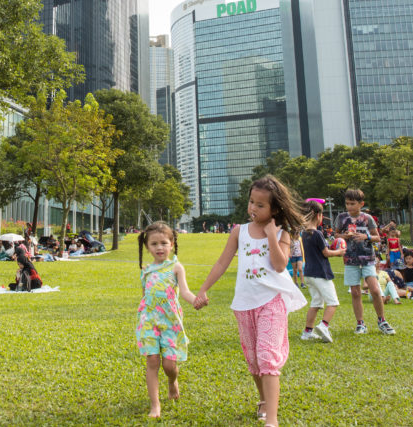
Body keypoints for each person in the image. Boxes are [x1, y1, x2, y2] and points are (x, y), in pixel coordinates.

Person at [195, 175, 307, 425]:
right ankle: (265, 401)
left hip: (271, 301)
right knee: (255, 361)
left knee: (267, 357)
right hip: (244, 303)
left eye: (260, 205)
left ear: (275, 208)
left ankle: (272, 420)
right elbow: (222, 262)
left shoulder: (282, 233)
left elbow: (280, 266)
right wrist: (202, 289)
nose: (253, 208)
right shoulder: (239, 231)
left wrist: (271, 235)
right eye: (251, 202)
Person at [135, 222, 196, 418]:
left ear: (172, 243)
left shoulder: (176, 267)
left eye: (163, 243)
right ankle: (155, 406)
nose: (159, 247)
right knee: (152, 360)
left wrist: (196, 301)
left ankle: (172, 381)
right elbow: (145, 296)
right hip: (149, 322)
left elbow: (184, 292)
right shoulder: (146, 270)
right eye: (154, 244)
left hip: (170, 322)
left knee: (169, 366)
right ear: (147, 247)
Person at [333, 188, 396, 334]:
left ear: (361, 204)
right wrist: (344, 236)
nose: (349, 207)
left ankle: (382, 320)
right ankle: (360, 323)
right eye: (347, 203)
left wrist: (365, 237)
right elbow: (336, 235)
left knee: (374, 289)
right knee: (355, 292)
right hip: (350, 259)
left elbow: (377, 237)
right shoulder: (342, 217)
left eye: (353, 204)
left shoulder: (368, 218)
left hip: (368, 258)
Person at [299, 201, 343, 343]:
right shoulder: (317, 233)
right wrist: (339, 252)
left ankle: (307, 332)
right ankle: (323, 325)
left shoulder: (304, 233)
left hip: (309, 274)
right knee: (333, 302)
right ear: (318, 215)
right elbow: (326, 253)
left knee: (316, 303)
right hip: (320, 273)